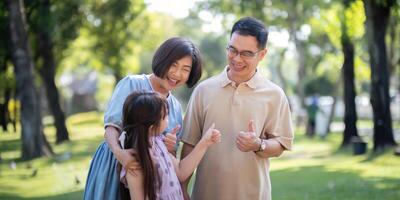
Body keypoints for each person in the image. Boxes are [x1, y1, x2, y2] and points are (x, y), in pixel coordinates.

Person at [181, 17, 294, 200]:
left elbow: (280, 145)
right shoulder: (204, 90)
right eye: (232, 50)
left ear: (262, 54)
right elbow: (189, 144)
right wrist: (182, 189)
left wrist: (258, 144)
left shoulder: (275, 95)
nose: (237, 58)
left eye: (247, 53)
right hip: (206, 195)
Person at [84, 37, 203, 200]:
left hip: (151, 183)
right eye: (173, 65)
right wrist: (120, 154)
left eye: (185, 69)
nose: (177, 74)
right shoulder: (133, 84)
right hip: (117, 163)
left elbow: (170, 157)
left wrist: (170, 147)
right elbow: (112, 127)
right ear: (163, 60)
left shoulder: (175, 106)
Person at [118, 91, 221, 200]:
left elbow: (181, 172)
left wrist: (204, 143)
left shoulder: (159, 143)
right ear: (152, 127)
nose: (168, 119)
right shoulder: (136, 162)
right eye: (165, 116)